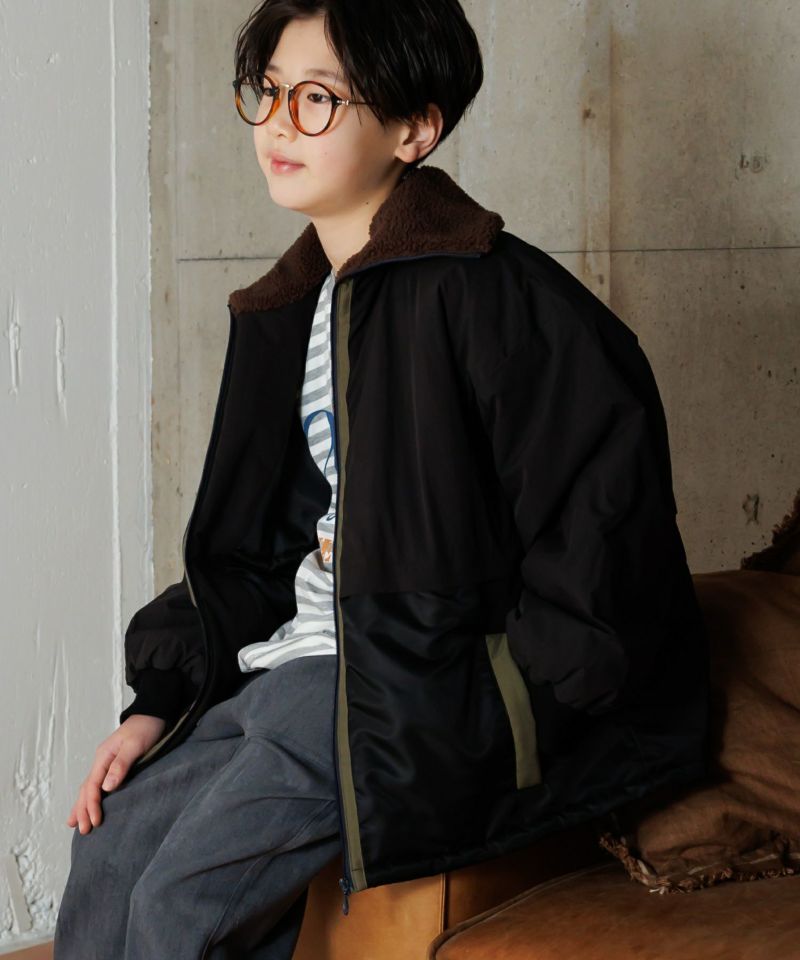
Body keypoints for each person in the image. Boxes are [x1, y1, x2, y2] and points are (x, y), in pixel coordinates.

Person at [54, 1, 711, 957]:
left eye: (318, 98)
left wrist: (495, 704)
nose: (279, 123)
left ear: (415, 130)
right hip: (291, 664)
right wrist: (159, 698)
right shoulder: (297, 307)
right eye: (270, 91)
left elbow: (602, 540)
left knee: (177, 904)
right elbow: (261, 546)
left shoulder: (500, 301)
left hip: (395, 687)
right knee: (108, 851)